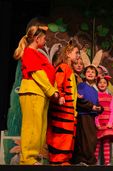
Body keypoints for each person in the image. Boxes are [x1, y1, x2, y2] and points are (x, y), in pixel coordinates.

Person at [14, 25, 59, 165]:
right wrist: (51, 90)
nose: (46, 41)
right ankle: (28, 158)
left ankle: (34, 157)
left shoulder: (38, 53)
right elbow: (37, 73)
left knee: (40, 127)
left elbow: (47, 73)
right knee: (32, 126)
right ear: (37, 38)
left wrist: (53, 90)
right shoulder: (29, 52)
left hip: (41, 94)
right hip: (33, 92)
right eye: (44, 38)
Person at [46, 39, 79, 165]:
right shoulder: (63, 67)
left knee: (68, 136)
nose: (77, 56)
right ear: (68, 53)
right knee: (61, 135)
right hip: (62, 110)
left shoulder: (69, 70)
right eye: (76, 53)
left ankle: (63, 159)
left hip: (69, 111)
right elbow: (57, 84)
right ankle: (58, 159)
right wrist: (60, 95)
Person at [71, 65, 103, 166]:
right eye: (88, 72)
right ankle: (83, 160)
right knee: (84, 139)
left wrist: (99, 108)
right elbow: (79, 100)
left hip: (91, 117)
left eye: (92, 72)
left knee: (91, 139)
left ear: (96, 76)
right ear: (85, 74)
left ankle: (88, 160)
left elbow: (97, 103)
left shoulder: (95, 91)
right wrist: (91, 106)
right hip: (83, 116)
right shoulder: (81, 86)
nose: (90, 73)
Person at [94, 75, 113, 165]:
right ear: (97, 84)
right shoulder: (95, 96)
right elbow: (95, 111)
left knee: (106, 142)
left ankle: (107, 163)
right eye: (100, 82)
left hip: (107, 122)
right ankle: (95, 162)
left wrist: (110, 122)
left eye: (104, 83)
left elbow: (112, 110)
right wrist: (96, 123)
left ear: (107, 85)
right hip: (99, 122)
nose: (102, 84)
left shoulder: (110, 97)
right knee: (97, 143)